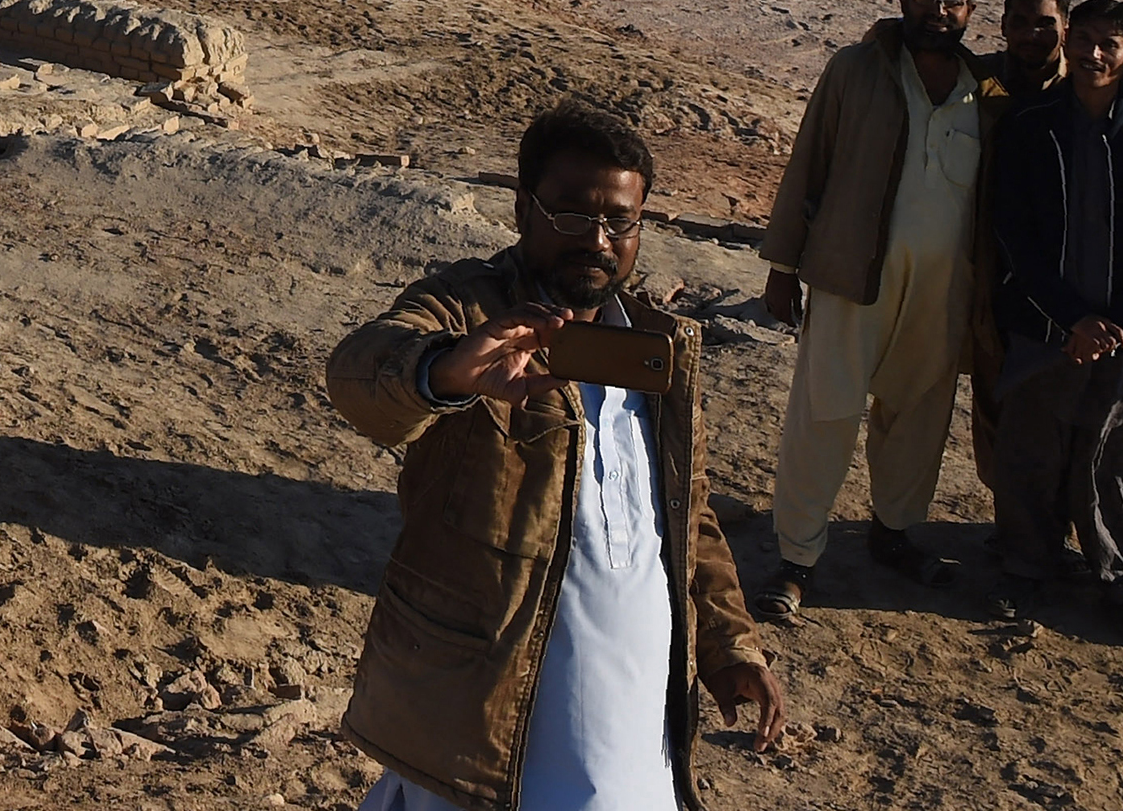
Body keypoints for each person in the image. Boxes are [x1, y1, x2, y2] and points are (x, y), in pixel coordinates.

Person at [328, 104, 782, 811]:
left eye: (619, 222)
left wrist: (728, 646)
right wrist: (448, 372)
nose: (596, 240)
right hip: (487, 718)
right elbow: (357, 372)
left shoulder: (659, 349)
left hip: (635, 724)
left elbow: (689, 517)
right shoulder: (466, 310)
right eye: (571, 215)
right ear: (523, 210)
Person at [754, 0, 987, 618]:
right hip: (850, 274)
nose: (936, 12)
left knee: (917, 415)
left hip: (943, 290)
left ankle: (894, 533)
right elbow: (810, 164)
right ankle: (796, 558)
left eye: (951, 2)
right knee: (824, 413)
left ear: (970, 12)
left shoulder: (984, 88)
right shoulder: (856, 71)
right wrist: (782, 266)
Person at [989, 0, 1123, 643]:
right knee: (1031, 454)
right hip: (1045, 329)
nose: (1094, 54)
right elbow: (1013, 232)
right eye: (1086, 39)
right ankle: (1024, 568)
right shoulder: (1028, 124)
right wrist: (1072, 318)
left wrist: (1119, 324)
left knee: (1121, 461)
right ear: (1068, 41)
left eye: (1112, 45)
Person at [967, 0, 1074, 503]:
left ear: (1065, 27)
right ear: (1003, 25)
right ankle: (1007, 515)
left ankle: (1054, 521)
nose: (1033, 34)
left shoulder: (1087, 80)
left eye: (1045, 24)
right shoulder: (981, 80)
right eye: (1020, 23)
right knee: (992, 396)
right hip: (991, 265)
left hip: (1065, 272)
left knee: (1062, 404)